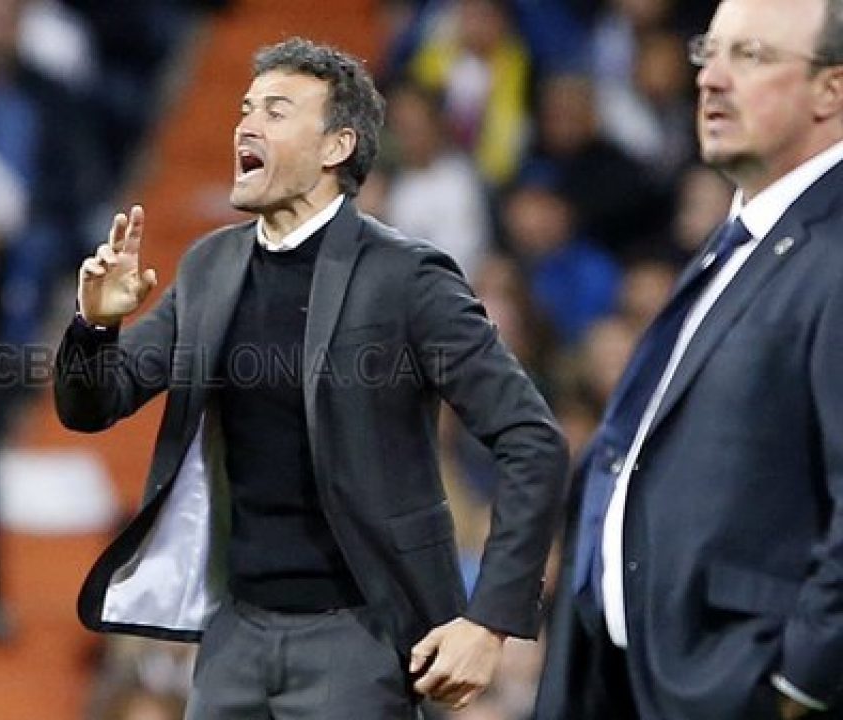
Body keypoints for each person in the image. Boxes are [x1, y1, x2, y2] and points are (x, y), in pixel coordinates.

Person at [54, 37, 568, 718]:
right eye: (245, 109)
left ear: (336, 146)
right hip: (234, 633)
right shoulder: (210, 267)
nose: (246, 125)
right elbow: (95, 405)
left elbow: (533, 439)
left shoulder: (407, 278)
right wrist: (95, 327)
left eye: (275, 111)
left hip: (360, 637)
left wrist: (490, 618)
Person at [535, 1, 843, 718]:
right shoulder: (744, 238)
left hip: (735, 688)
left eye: (752, 56)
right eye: (711, 51)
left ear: (831, 89)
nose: (711, 78)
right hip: (632, 680)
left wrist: (799, 681)